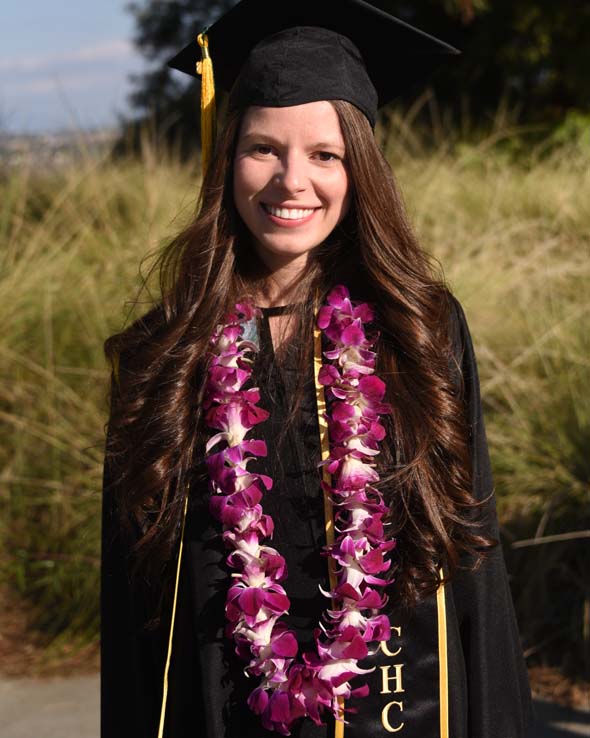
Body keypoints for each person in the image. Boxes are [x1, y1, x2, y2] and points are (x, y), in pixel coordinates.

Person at [101, 1, 534, 736]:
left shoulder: (420, 329)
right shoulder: (166, 351)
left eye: (324, 154)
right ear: (225, 155)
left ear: (358, 168)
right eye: (263, 148)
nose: (290, 181)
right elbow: (131, 602)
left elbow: (472, 566)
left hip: (402, 706)